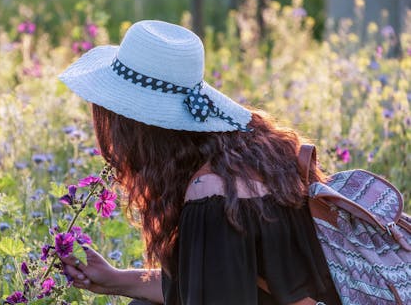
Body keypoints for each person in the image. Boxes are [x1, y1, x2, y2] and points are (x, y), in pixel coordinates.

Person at [57, 20, 341, 305]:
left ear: (130, 127)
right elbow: (211, 284)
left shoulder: (214, 195)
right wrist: (115, 279)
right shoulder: (256, 157)